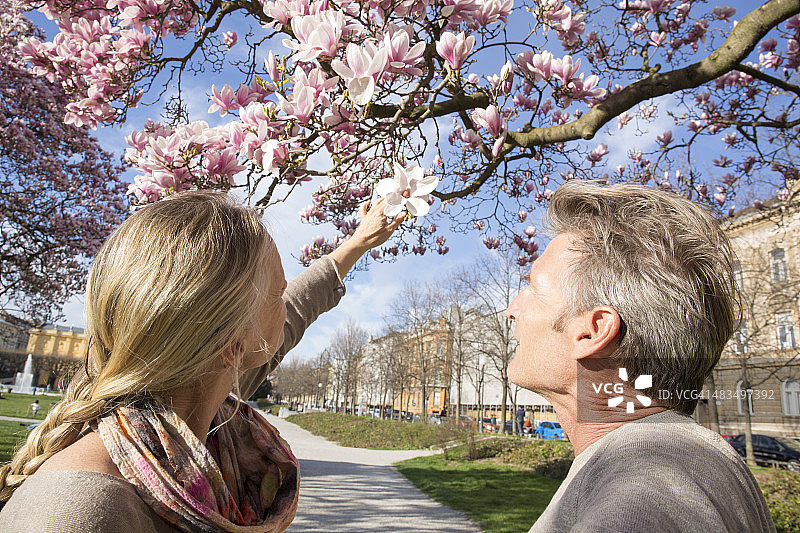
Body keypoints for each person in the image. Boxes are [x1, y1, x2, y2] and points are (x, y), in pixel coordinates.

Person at [0, 191, 404, 532]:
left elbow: (296, 308)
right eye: (275, 293)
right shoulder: (74, 509)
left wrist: (356, 245)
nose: (285, 305)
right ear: (233, 342)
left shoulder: (207, 402)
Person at [506, 181, 775, 532]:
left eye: (534, 290)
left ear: (592, 331)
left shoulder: (639, 494)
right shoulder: (682, 461)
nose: (513, 309)